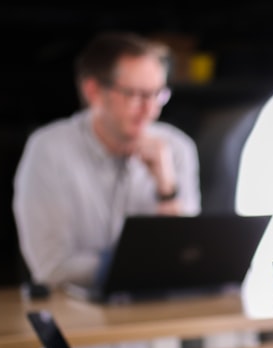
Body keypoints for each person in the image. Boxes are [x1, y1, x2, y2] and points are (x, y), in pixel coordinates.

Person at [13, 31, 200, 287]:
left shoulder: (176, 148)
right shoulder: (49, 149)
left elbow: (190, 258)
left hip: (157, 310)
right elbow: (51, 267)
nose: (151, 109)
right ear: (93, 91)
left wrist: (166, 189)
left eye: (157, 94)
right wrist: (143, 263)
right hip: (79, 316)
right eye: (135, 95)